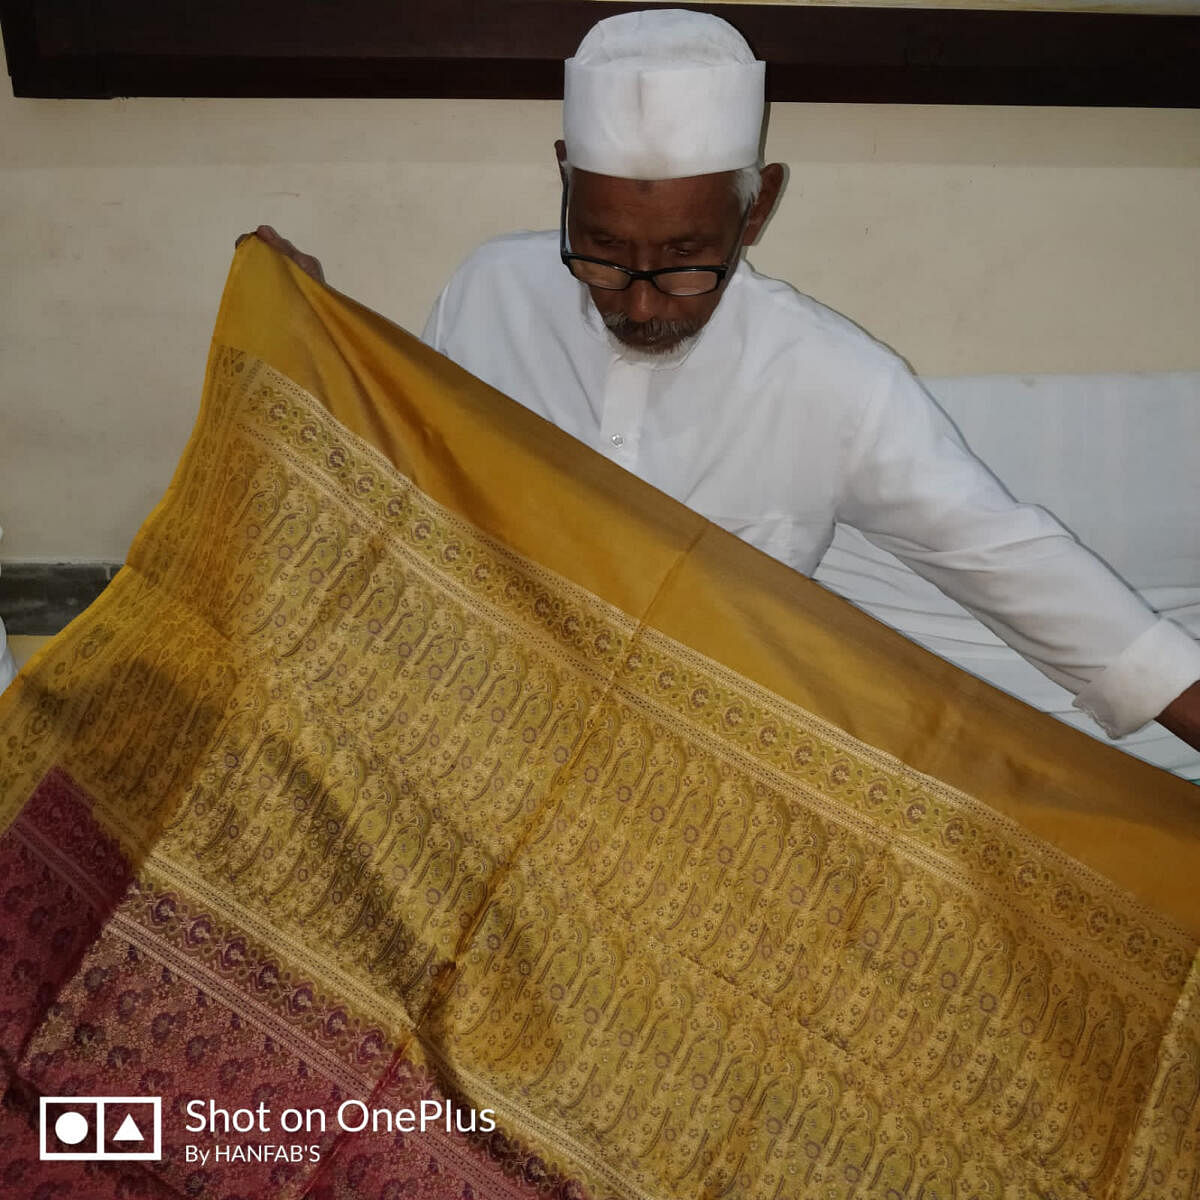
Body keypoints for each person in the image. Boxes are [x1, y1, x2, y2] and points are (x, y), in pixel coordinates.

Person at [248, 8, 1200, 755]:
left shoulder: (832, 382)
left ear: (760, 208)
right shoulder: (491, 290)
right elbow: (401, 459)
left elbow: (1007, 560)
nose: (643, 303)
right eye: (605, 250)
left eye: (686, 257)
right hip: (483, 715)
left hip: (700, 761)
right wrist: (314, 325)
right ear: (563, 182)